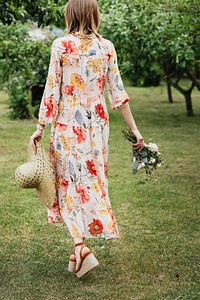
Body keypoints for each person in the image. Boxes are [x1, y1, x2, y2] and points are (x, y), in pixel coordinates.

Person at [30, 0, 144, 278]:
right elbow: (118, 93)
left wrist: (41, 126)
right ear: (93, 14)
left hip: (68, 123)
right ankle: (76, 250)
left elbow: (52, 88)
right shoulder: (106, 47)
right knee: (90, 179)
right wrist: (136, 130)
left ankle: (80, 246)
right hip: (96, 125)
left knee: (68, 181)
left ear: (70, 14)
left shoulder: (61, 45)